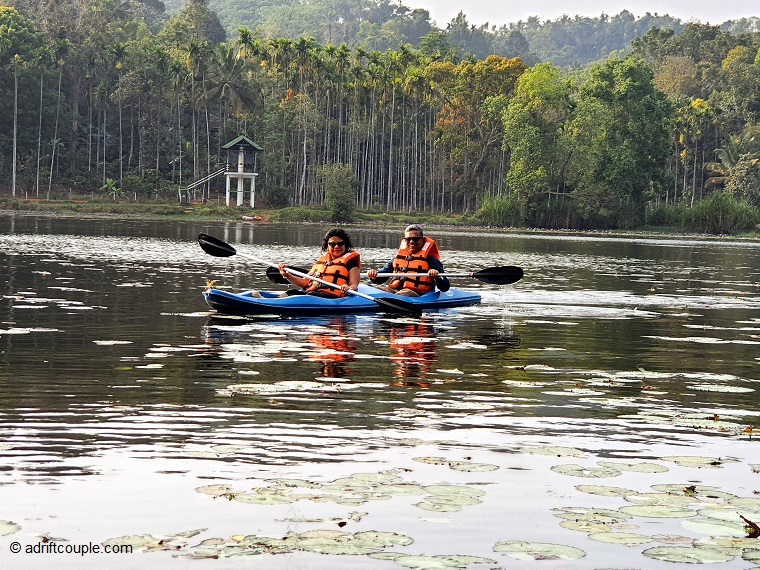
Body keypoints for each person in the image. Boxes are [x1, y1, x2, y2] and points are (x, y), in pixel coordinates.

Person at [366, 224, 450, 297]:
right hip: (394, 291)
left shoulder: (431, 261)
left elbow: (445, 286)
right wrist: (374, 275)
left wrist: (437, 277)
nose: (412, 242)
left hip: (416, 293)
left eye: (415, 239)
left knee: (403, 294)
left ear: (422, 240)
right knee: (374, 291)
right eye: (408, 239)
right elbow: (380, 279)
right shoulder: (396, 259)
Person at [278, 228, 361, 297]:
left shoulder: (351, 264)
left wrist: (348, 288)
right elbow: (304, 282)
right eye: (332, 244)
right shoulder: (321, 262)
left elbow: (354, 285)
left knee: (310, 295)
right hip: (313, 293)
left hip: (331, 297)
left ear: (345, 245)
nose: (336, 247)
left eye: (340, 244)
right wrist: (287, 275)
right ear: (327, 247)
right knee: (291, 292)